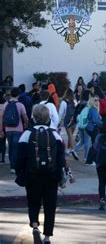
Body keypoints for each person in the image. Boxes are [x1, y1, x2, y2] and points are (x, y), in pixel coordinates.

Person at [15, 104, 66, 244]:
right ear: (48, 117)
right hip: (51, 175)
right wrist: (61, 174)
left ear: (33, 117)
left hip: (32, 175)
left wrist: (21, 173)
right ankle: (48, 236)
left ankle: (35, 225)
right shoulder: (54, 134)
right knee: (50, 205)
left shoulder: (26, 134)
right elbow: (61, 157)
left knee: (33, 202)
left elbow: (19, 158)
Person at [0, 87, 29, 173]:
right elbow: (25, 118)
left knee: (11, 148)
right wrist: (26, 126)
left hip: (8, 129)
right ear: (18, 95)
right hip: (18, 129)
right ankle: (14, 166)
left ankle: (12, 167)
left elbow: (1, 118)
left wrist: (1, 130)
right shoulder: (20, 105)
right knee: (16, 148)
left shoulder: (5, 104)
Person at [85, 96, 102, 164]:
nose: (97, 101)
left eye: (98, 100)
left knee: (94, 144)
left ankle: (91, 160)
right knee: (95, 144)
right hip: (93, 128)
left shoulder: (92, 109)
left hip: (90, 128)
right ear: (92, 101)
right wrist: (102, 124)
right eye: (95, 100)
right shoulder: (94, 109)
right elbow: (95, 121)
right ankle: (90, 161)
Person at [58, 89, 76, 154]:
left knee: (70, 135)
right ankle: (68, 149)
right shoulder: (74, 101)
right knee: (70, 135)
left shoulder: (64, 102)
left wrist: (58, 122)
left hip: (67, 120)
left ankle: (72, 149)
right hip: (74, 120)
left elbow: (60, 114)